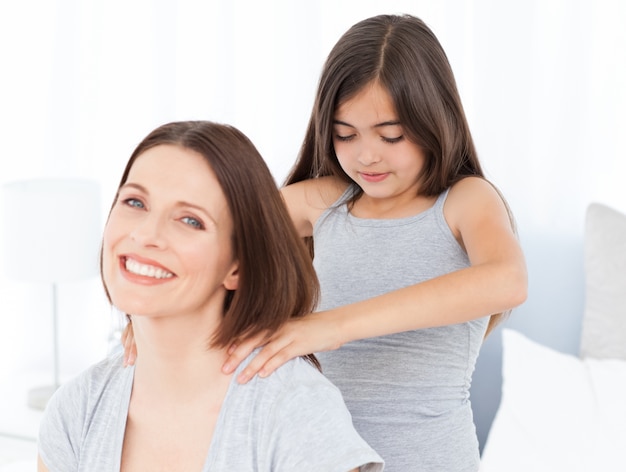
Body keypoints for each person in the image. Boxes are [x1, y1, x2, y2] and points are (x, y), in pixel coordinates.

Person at [125, 13, 527, 471]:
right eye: (345, 134)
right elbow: (216, 237)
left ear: (435, 120)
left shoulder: (463, 201)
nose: (366, 155)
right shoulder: (326, 203)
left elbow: (507, 281)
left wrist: (332, 326)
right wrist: (153, 313)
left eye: (391, 135)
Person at [37, 121, 384, 472]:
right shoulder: (76, 410)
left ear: (236, 266)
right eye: (135, 202)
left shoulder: (295, 413)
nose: (146, 235)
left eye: (190, 221)